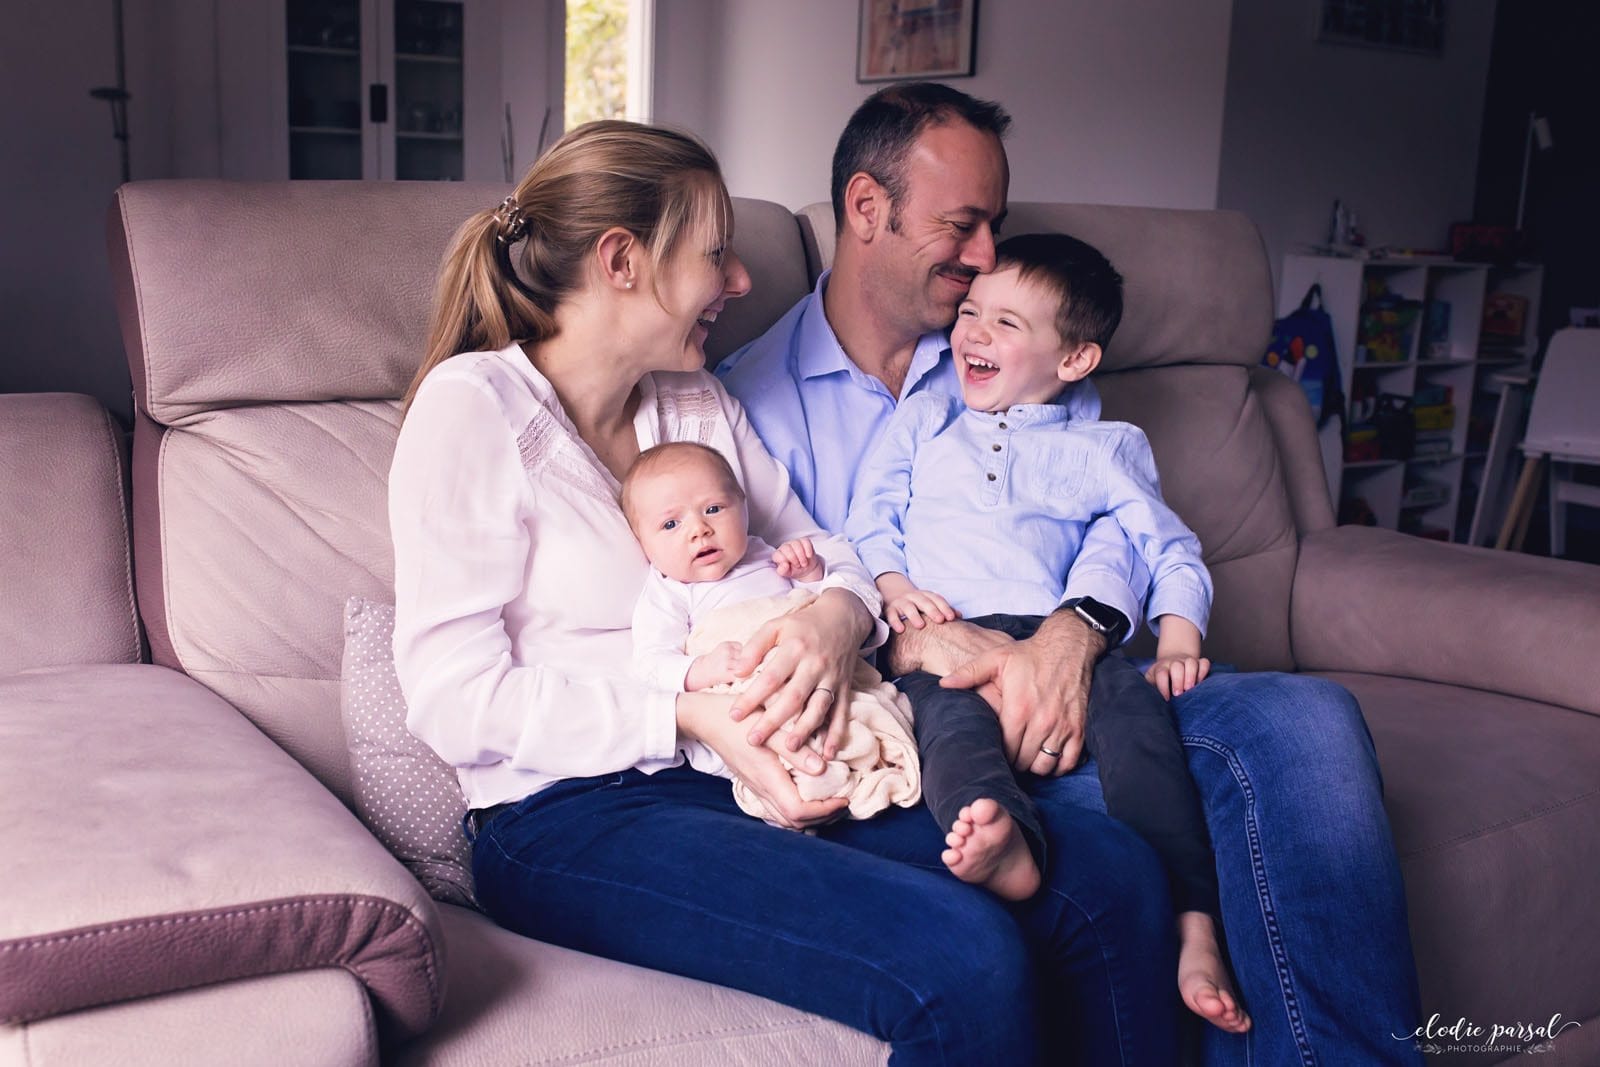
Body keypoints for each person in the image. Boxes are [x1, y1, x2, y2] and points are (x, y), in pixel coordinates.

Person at [389, 119, 1180, 1065]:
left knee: (1117, 879)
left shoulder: (692, 402)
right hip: (568, 810)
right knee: (962, 959)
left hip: (757, 759)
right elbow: (451, 698)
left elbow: (835, 556)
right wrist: (687, 714)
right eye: (715, 256)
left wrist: (834, 622)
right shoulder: (474, 407)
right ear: (621, 261)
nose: (741, 282)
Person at [718, 82, 1423, 1065]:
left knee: (1309, 722)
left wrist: (1076, 629)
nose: (983, 260)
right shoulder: (750, 404)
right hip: (930, 707)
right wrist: (932, 638)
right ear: (867, 211)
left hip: (1080, 663)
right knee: (1136, 841)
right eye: (962, 227)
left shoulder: (1013, 352)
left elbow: (1105, 515)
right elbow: (767, 595)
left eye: (994, 228)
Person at [846, 231, 1248, 1034]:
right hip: (947, 631)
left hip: (1060, 635)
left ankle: (1195, 923)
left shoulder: (1105, 447)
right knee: (947, 728)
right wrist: (893, 588)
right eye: (968, 312)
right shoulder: (926, 419)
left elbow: (1165, 546)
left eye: (1006, 324)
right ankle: (1005, 841)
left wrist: (1176, 637)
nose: (973, 334)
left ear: (1075, 361)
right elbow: (870, 517)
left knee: (1144, 735)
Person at [622, 440, 921, 825]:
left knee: (883, 715)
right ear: (643, 542)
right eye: (671, 524)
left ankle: (870, 762)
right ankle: (819, 780)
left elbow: (820, 617)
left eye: (714, 509)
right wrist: (701, 669)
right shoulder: (668, 591)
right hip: (746, 697)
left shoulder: (766, 554)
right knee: (786, 748)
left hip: (816, 675)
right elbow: (649, 665)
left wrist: (813, 576)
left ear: (744, 507)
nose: (699, 529)